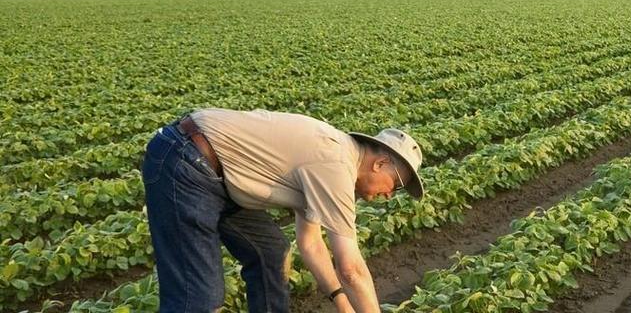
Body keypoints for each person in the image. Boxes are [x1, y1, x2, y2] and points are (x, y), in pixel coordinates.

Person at [141, 108, 425, 313]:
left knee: (271, 251)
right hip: (185, 161)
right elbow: (351, 269)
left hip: (219, 174)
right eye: (396, 186)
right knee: (199, 299)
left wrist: (342, 302)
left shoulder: (336, 161)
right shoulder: (337, 165)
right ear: (380, 163)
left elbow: (311, 243)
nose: (388, 195)